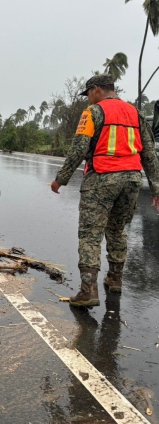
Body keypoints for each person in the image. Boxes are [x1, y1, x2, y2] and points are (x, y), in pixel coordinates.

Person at [51, 74, 159, 307]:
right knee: (117, 229)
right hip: (131, 179)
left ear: (97, 89)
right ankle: (115, 279)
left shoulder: (94, 112)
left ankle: (88, 291)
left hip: (102, 177)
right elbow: (149, 152)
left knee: (90, 234)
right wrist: (155, 187)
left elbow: (79, 148)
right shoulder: (135, 113)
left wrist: (61, 179)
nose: (88, 98)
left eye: (89, 93)